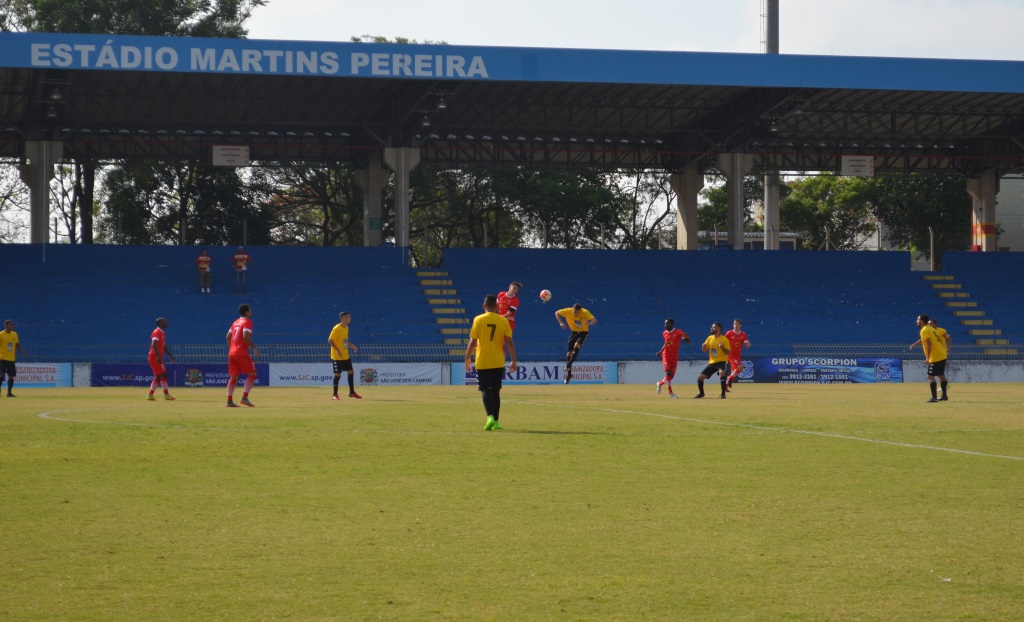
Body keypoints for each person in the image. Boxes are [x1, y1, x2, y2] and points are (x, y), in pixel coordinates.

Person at [465, 294, 517, 431]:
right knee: (496, 391)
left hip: (482, 360)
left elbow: (473, 341)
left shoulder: (478, 319)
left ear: (484, 306)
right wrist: (513, 361)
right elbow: (509, 342)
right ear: (497, 307)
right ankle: (497, 422)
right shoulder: (503, 321)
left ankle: (490, 417)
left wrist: (467, 358)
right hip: (498, 361)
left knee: (485, 389)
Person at [226, 303, 260, 407]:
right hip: (241, 353)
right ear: (246, 312)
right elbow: (245, 335)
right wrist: (254, 348)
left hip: (232, 353)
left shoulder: (235, 322)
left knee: (234, 377)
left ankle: (229, 401)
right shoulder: (247, 322)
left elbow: (227, 336)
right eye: (250, 310)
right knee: (252, 375)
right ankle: (244, 398)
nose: (251, 312)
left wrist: (232, 347)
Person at [555, 303, 597, 384]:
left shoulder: (585, 312)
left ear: (580, 310)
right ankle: (569, 375)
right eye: (574, 312)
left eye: (577, 312)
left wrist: (589, 323)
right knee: (569, 353)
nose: (576, 314)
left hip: (583, 333)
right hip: (574, 332)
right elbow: (557, 313)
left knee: (577, 345)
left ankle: (568, 365)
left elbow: (594, 320)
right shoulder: (568, 311)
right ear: (572, 309)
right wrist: (561, 323)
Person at [917, 314, 949, 403]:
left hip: (936, 356)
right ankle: (944, 396)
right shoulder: (931, 328)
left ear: (921, 321)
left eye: (918, 320)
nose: (917, 321)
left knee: (930, 376)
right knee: (941, 375)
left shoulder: (924, 330)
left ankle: (934, 397)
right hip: (942, 355)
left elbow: (929, 343)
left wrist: (927, 357)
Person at [328, 311, 361, 400]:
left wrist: (352, 346)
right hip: (337, 355)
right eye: (348, 317)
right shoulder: (336, 328)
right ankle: (334, 395)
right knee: (338, 374)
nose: (350, 318)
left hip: (345, 355)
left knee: (351, 371)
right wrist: (338, 350)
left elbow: (344, 340)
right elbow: (330, 340)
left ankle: (352, 392)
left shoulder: (346, 328)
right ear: (343, 318)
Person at [655, 318, 689, 398]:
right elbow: (666, 343)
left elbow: (687, 341)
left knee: (670, 376)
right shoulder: (664, 333)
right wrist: (660, 351)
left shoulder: (678, 332)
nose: (665, 325)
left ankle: (659, 383)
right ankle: (671, 393)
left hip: (674, 356)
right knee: (668, 373)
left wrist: (687, 337)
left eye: (667, 323)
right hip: (666, 355)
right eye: (665, 323)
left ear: (672, 324)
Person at [695, 322, 730, 399]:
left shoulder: (724, 339)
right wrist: (703, 347)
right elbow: (704, 350)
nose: (711, 328)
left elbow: (728, 352)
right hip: (712, 362)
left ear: (718, 329)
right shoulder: (710, 338)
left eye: (713, 327)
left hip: (722, 361)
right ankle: (701, 393)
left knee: (722, 373)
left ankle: (723, 394)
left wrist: (722, 347)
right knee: (700, 378)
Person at [146, 317, 176, 401]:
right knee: (163, 374)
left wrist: (170, 355)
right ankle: (166, 395)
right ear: (160, 323)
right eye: (165, 321)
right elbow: (154, 344)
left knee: (159, 376)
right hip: (154, 356)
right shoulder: (157, 332)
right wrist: (157, 356)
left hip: (156, 356)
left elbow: (163, 346)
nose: (166, 323)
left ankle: (150, 395)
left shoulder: (162, 333)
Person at [0, 320, 27, 397]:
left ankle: (9, 393)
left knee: (11, 376)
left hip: (11, 359)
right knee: (1, 375)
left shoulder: (14, 334)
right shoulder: (1, 334)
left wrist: (22, 350)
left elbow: (17, 344)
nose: (12, 326)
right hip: (2, 358)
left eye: (12, 325)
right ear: (6, 325)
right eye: (10, 325)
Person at [724, 319, 752, 389]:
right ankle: (729, 379)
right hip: (730, 354)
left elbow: (747, 344)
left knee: (734, 372)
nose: (736, 325)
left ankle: (725, 387)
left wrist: (747, 344)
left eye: (737, 324)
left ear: (740, 325)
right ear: (733, 325)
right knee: (740, 367)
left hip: (737, 355)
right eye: (735, 324)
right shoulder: (729, 333)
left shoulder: (743, 334)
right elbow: (723, 341)